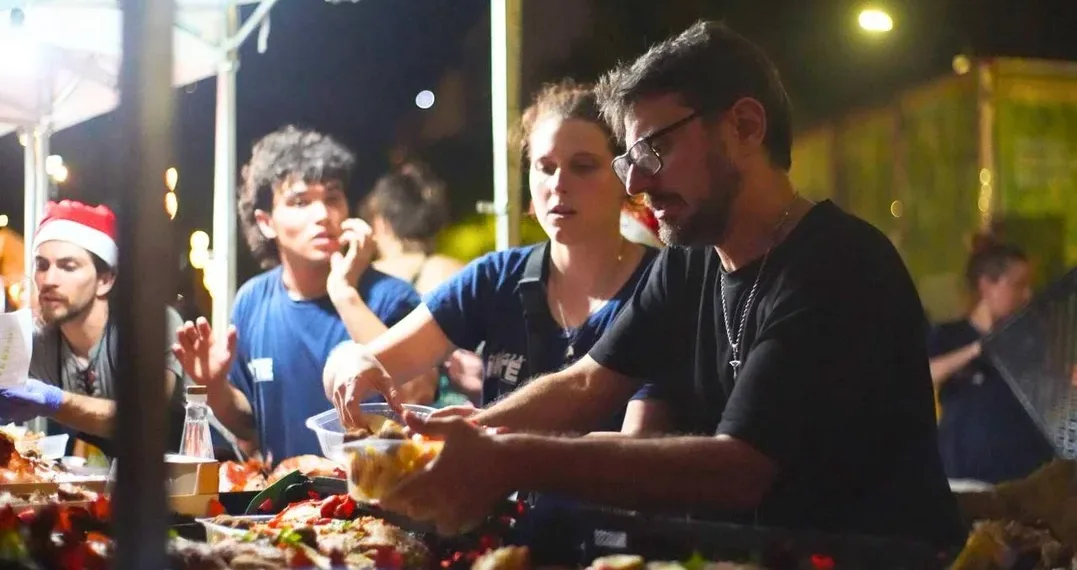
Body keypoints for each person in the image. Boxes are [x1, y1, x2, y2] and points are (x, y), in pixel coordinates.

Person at [332, 21, 964, 546]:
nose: (635, 185)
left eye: (653, 150)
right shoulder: (693, 259)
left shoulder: (837, 266)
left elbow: (737, 469)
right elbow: (585, 383)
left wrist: (510, 457)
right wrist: (471, 440)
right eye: (629, 160)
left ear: (745, 127)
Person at [325, 79, 663, 434]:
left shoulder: (661, 285)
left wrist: (486, 434)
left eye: (583, 166)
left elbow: (636, 448)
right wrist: (349, 361)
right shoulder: (498, 276)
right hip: (498, 491)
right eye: (545, 167)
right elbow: (370, 361)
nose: (558, 183)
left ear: (626, 176)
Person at [172, 126, 433, 462]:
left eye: (332, 197)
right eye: (300, 202)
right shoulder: (253, 300)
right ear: (266, 222)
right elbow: (251, 424)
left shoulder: (391, 297)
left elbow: (417, 394)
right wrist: (215, 387)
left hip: (381, 498)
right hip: (291, 508)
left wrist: (344, 293)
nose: (323, 215)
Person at [0, 200, 188, 456]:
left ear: (105, 280)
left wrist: (56, 402)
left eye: (68, 267)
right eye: (42, 266)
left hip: (215, 473)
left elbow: (143, 418)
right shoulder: (39, 343)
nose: (49, 280)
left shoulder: (150, 325)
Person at [928, 237, 1054, 483]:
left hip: (1027, 480)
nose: (1026, 295)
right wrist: (976, 350)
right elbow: (924, 374)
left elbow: (1050, 390)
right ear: (986, 286)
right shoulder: (949, 335)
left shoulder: (1030, 341)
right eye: (1018, 286)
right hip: (967, 477)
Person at [360, 164, 481, 405]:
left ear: (381, 223)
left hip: (392, 412)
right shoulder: (461, 272)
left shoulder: (372, 281)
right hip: (462, 414)